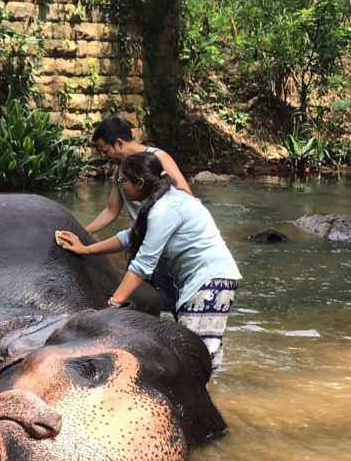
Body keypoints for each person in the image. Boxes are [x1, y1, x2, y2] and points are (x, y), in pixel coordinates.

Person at [56, 152, 242, 370]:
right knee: (196, 354)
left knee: (193, 358)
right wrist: (85, 249)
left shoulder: (164, 210)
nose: (121, 186)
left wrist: (111, 305)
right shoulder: (160, 202)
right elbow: (130, 237)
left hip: (210, 281)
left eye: (123, 181)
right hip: (206, 280)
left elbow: (143, 265)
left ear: (140, 183)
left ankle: (205, 401)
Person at [86, 116, 191, 313]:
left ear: (118, 143)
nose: (105, 155)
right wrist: (83, 232)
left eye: (105, 149)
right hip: (137, 241)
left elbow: (185, 195)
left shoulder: (158, 158)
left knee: (172, 303)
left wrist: (156, 220)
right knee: (138, 303)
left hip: (162, 243)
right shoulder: (121, 172)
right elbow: (111, 210)